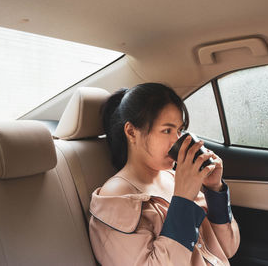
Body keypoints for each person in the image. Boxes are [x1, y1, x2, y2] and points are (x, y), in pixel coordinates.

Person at [89, 83, 240, 266]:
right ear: (131, 132)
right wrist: (183, 200)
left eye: (179, 131)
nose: (176, 141)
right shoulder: (116, 197)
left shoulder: (172, 177)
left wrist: (214, 190)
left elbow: (227, 248)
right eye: (166, 130)